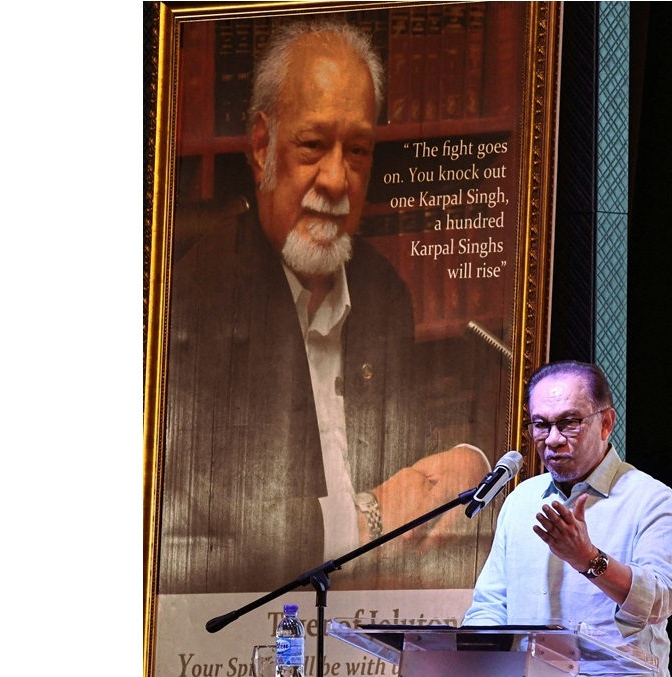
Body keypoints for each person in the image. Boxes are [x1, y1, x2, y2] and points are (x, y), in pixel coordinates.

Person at [159, 20, 489, 594]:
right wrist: (372, 521)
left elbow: (408, 465)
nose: (337, 179)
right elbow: (230, 527)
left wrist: (470, 460)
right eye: (313, 145)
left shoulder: (384, 291)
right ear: (263, 146)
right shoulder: (199, 298)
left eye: (357, 150)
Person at [463, 361, 672, 676]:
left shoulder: (650, 498)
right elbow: (490, 605)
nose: (552, 439)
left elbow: (662, 599)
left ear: (606, 423)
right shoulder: (521, 500)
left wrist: (588, 559)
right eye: (541, 424)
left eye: (568, 422)